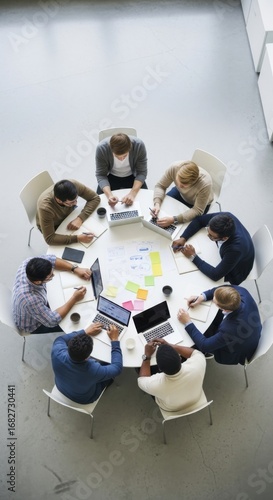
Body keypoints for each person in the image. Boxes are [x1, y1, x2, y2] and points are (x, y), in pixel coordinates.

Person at [178, 285, 261, 365]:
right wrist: (202, 297)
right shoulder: (242, 292)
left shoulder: (229, 329)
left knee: (197, 339)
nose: (213, 298)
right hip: (251, 327)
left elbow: (205, 345)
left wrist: (187, 321)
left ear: (224, 309)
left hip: (236, 350)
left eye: (215, 302)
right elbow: (223, 287)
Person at [12, 255, 92, 334]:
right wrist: (74, 298)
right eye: (50, 276)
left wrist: (75, 269)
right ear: (37, 282)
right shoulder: (30, 299)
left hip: (36, 303)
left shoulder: (29, 263)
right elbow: (52, 321)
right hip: (34, 324)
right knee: (77, 324)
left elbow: (52, 260)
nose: (53, 275)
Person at [172, 212, 254, 285]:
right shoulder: (224, 218)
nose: (208, 235)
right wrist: (183, 238)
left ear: (224, 238)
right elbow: (199, 220)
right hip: (228, 252)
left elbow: (215, 275)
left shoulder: (235, 249)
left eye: (212, 236)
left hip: (236, 271)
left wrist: (193, 256)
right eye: (208, 230)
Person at [51, 324, 123, 404]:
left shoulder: (56, 350)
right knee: (107, 365)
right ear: (88, 356)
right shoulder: (93, 370)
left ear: (69, 346)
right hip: (84, 399)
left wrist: (85, 331)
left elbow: (60, 339)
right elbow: (117, 368)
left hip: (61, 387)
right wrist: (115, 340)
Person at [137, 339, 206, 411]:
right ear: (180, 358)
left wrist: (147, 356)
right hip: (196, 398)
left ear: (160, 369)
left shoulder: (155, 385)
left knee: (140, 369)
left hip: (171, 408)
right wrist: (169, 345)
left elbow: (142, 380)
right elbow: (195, 353)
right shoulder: (198, 364)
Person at [36, 179, 100, 246]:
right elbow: (50, 239)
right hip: (54, 224)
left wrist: (80, 218)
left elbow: (95, 198)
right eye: (72, 202)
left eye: (76, 199)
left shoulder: (73, 185)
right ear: (59, 200)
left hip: (69, 213)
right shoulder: (45, 208)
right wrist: (77, 238)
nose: (76, 203)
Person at [153, 160, 214, 227]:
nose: (179, 186)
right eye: (178, 182)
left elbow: (197, 210)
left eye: (183, 186)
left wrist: (174, 220)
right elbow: (161, 186)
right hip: (180, 193)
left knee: (185, 228)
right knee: (162, 211)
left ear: (193, 183)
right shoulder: (174, 168)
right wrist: (157, 203)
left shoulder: (205, 183)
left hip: (198, 204)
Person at [95, 133, 148, 207]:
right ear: (111, 149)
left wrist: (132, 194)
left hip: (133, 176)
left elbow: (142, 172)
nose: (121, 159)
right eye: (117, 156)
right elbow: (101, 175)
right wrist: (109, 196)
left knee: (145, 203)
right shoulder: (102, 148)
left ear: (130, 148)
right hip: (110, 177)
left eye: (125, 155)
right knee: (100, 205)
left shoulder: (139, 145)